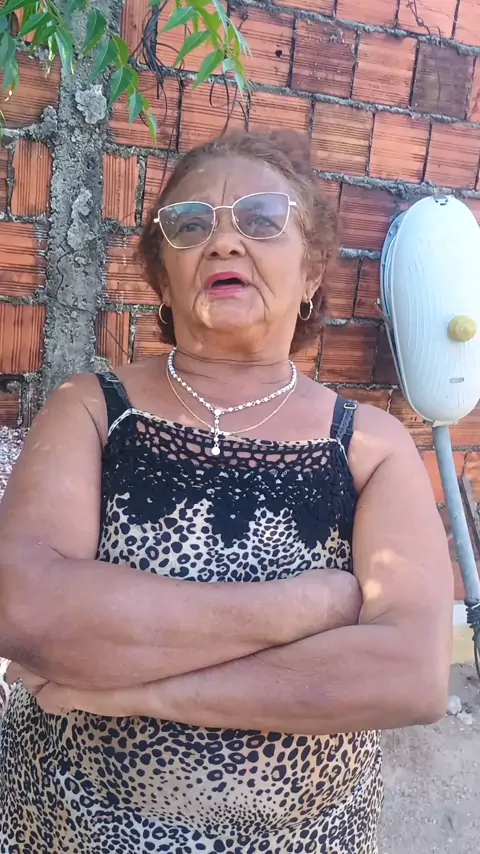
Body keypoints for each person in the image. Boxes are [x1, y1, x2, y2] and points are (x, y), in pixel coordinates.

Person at [0, 129, 452, 854]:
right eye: (189, 225)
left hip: (306, 836)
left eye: (261, 219)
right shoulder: (91, 410)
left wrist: (130, 689)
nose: (223, 242)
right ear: (163, 277)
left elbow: (411, 676)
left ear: (311, 271)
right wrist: (304, 606)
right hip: (76, 823)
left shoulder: (369, 445)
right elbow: (26, 611)